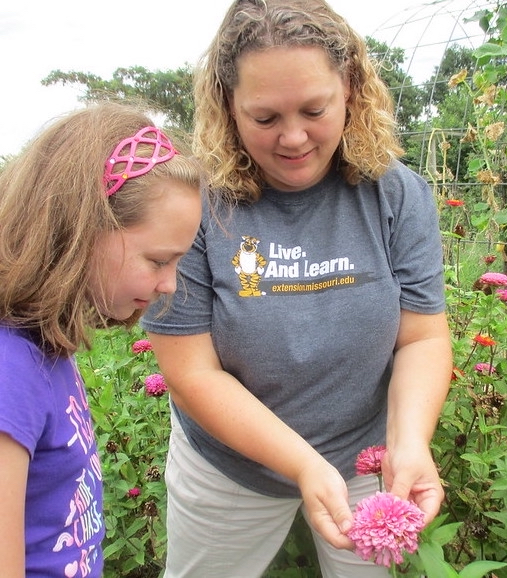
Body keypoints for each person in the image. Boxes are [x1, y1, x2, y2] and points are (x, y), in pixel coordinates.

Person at [141, 0, 453, 576]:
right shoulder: (195, 203)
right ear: (226, 107)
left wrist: (409, 444)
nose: (293, 137)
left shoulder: (396, 193)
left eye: (315, 109)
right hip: (229, 468)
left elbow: (421, 338)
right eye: (264, 118)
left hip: (365, 459)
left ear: (351, 88)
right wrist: (304, 465)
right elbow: (190, 375)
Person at [0, 102, 203, 578]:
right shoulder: (10, 370)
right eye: (158, 261)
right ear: (82, 229)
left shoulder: (46, 349)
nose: (171, 283)